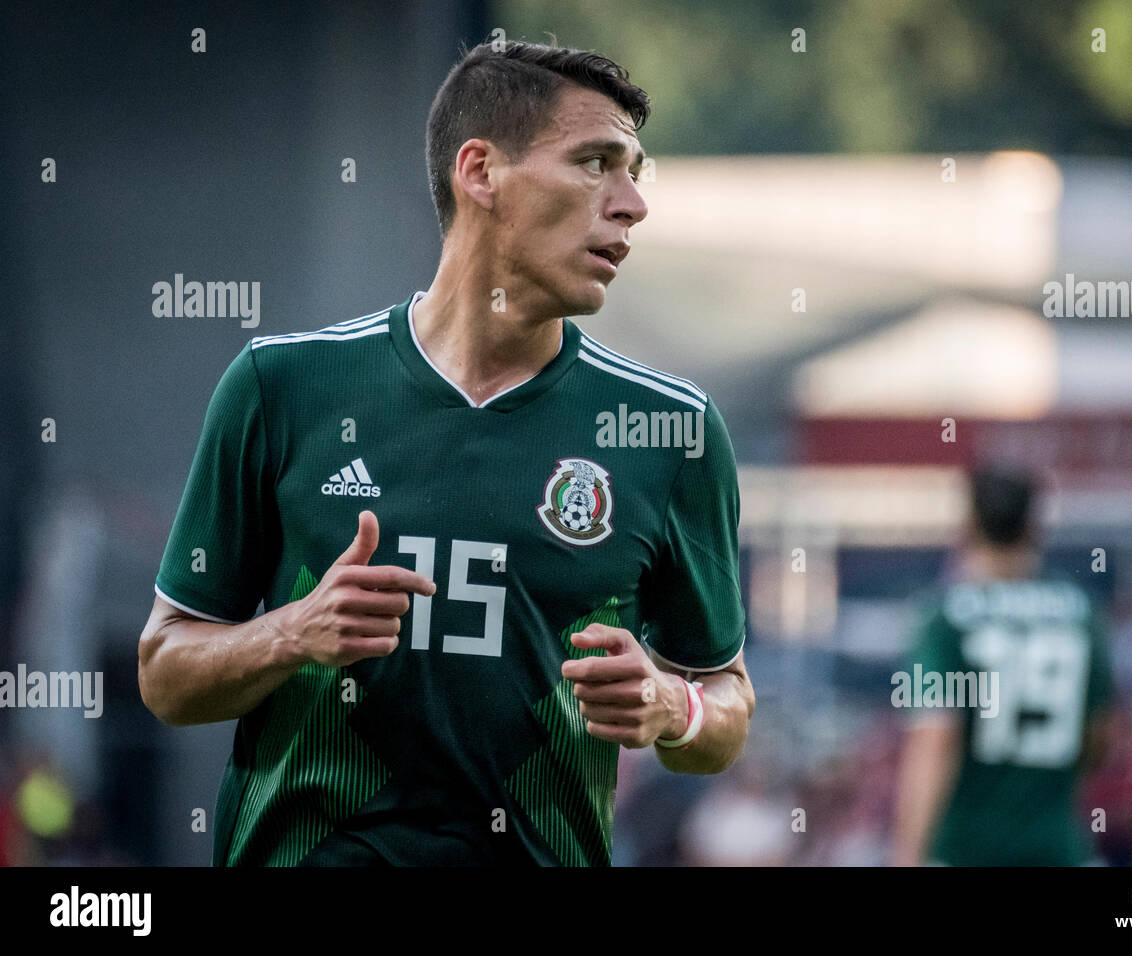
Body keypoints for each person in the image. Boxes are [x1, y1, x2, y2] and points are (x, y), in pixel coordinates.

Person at [137, 39, 754, 866]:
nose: (632, 203)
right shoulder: (281, 385)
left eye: (635, 171)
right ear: (480, 171)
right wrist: (292, 632)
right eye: (596, 163)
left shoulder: (671, 429)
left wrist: (673, 707)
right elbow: (166, 672)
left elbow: (727, 703)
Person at [891, 466, 1111, 866]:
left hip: (968, 850)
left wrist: (908, 854)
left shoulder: (946, 617)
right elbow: (1098, 735)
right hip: (1058, 849)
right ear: (1033, 525)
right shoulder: (1081, 614)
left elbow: (936, 738)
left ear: (969, 523)